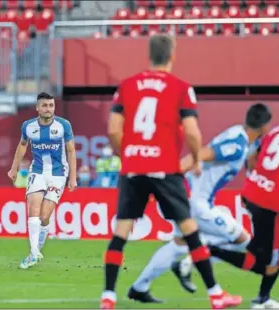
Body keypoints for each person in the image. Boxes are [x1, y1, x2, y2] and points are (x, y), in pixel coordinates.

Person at [101, 34, 241, 310]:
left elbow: (113, 130)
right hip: (165, 168)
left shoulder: (126, 86)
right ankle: (215, 294)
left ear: (149, 55)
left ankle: (108, 297)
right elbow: (191, 131)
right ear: (172, 55)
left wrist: (126, 153)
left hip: (133, 168)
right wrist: (198, 158)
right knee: (190, 231)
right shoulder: (180, 88)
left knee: (121, 232)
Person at [128, 103, 272, 303]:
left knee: (178, 244)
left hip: (192, 200)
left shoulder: (238, 134)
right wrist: (168, 179)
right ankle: (190, 262)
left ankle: (139, 288)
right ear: (265, 127)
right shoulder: (237, 147)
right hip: (198, 205)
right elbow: (202, 154)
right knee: (243, 240)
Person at [199, 90, 279, 309]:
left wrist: (257, 178)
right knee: (266, 265)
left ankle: (263, 297)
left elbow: (252, 156)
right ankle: (208, 251)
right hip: (269, 204)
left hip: (253, 192)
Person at [7, 92, 77, 269]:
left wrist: (73, 177)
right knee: (34, 209)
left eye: (51, 105)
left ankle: (35, 249)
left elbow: (71, 151)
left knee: (44, 216)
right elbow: (22, 145)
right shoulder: (28, 126)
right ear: (37, 108)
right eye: (45, 105)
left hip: (58, 173)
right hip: (37, 171)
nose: (48, 109)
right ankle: (34, 253)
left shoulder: (63, 125)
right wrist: (14, 168)